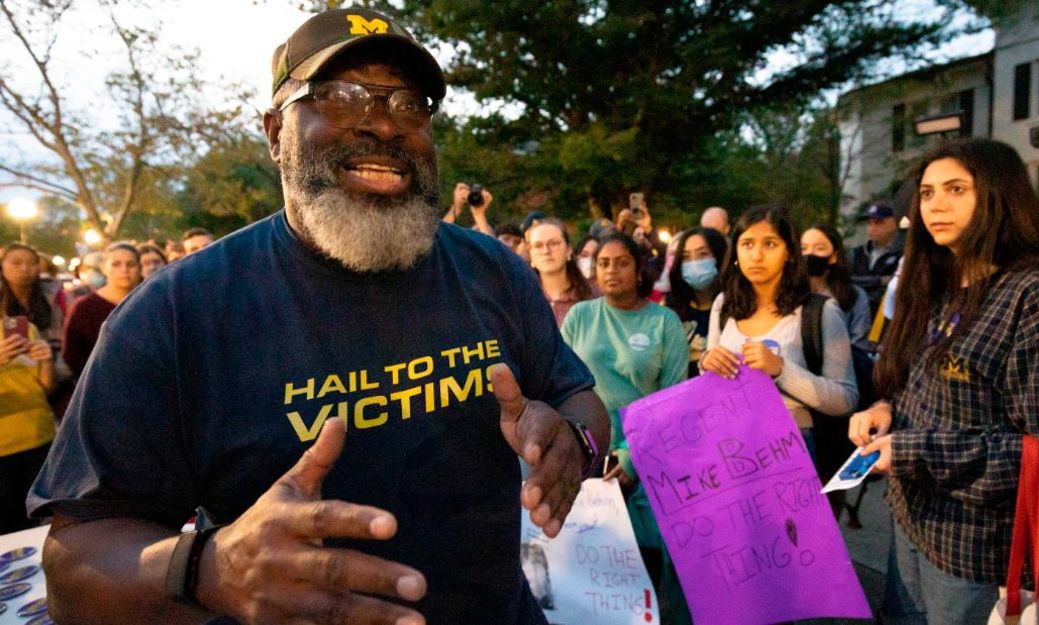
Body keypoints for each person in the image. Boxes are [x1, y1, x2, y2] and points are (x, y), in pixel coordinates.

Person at [29, 8, 609, 625]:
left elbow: (581, 402)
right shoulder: (175, 313)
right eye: (339, 96)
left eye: (410, 105)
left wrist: (577, 443)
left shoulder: (493, 269)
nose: (384, 125)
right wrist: (208, 568)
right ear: (275, 131)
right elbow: (71, 571)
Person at [849, 138, 1039, 624]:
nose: (936, 205)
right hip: (910, 526)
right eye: (926, 193)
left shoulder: (1037, 294)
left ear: (998, 196)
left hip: (980, 553)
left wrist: (915, 450)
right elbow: (920, 385)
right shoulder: (938, 282)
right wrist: (887, 409)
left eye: (955, 189)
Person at [560, 232, 690, 624]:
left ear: (639, 270)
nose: (611, 270)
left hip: (650, 462)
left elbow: (674, 401)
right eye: (603, 263)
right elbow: (561, 383)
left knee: (648, 567)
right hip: (587, 456)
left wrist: (633, 460)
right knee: (597, 575)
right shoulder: (581, 316)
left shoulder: (664, 322)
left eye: (621, 262)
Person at [701, 206, 858, 457]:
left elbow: (845, 399)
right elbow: (710, 385)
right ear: (736, 252)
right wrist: (707, 363)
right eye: (747, 244)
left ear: (789, 253)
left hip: (794, 448)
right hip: (733, 445)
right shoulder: (724, 305)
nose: (757, 255)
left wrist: (781, 369)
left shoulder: (819, 312)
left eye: (770, 244)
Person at [1, 243, 57, 533]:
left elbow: (45, 388)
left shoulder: (24, 328)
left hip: (39, 437)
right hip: (4, 448)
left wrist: (46, 361)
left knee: (42, 524)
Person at [62, 242, 142, 381]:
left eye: (131, 264)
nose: (124, 270)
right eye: (116, 264)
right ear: (104, 268)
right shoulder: (84, 308)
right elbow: (72, 354)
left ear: (139, 268)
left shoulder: (149, 302)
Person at [664, 227, 728, 378]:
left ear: (720, 257)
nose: (694, 263)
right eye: (686, 257)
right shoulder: (672, 309)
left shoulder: (735, 306)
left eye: (703, 254)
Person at [801, 224, 872, 351]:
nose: (810, 254)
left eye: (819, 248)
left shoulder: (854, 295)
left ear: (834, 256)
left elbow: (859, 344)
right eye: (804, 248)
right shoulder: (788, 294)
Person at [527, 219, 600, 327]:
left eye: (554, 243)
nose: (546, 251)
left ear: (569, 250)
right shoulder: (521, 300)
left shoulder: (593, 297)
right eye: (538, 246)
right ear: (530, 255)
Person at [850, 201, 903, 316]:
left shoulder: (902, 255)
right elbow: (845, 281)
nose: (872, 228)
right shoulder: (856, 253)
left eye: (879, 223)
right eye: (869, 223)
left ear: (894, 223)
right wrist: (879, 280)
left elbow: (893, 287)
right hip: (856, 315)